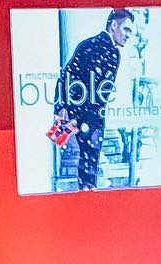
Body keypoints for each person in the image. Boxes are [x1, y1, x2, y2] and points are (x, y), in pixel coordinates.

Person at [53, 8, 133, 191]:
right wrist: (73, 114)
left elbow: (67, 76)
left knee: (86, 162)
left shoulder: (88, 45)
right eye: (126, 29)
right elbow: (96, 91)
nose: (129, 36)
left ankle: (86, 193)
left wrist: (62, 107)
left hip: (77, 113)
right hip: (88, 116)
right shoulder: (110, 52)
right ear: (114, 25)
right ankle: (87, 195)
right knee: (89, 162)